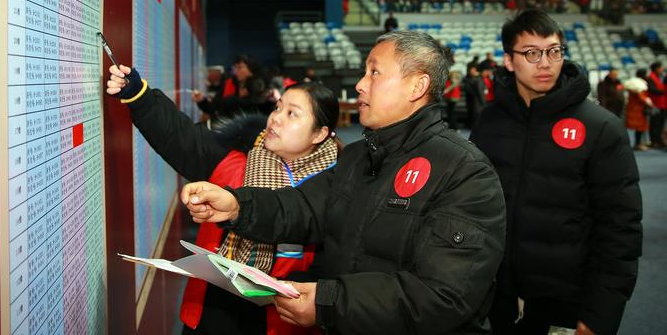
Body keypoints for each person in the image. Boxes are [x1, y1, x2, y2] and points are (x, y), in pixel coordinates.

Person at [182, 31, 506, 334]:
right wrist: (238, 206)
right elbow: (302, 206)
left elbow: (443, 294)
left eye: (374, 73)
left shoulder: (465, 171)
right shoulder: (358, 158)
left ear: (417, 86)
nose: (361, 85)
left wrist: (330, 301)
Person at [106, 65, 340, 334]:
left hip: (282, 318)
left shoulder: (334, 187)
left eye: (292, 114)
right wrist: (138, 94)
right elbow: (180, 137)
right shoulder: (235, 161)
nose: (276, 119)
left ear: (319, 134)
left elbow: (340, 264)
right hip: (214, 307)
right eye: (278, 108)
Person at [469, 10, 642, 335]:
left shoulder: (601, 128)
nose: (545, 62)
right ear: (508, 60)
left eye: (553, 51)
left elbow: (620, 230)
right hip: (493, 304)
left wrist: (599, 317)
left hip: (565, 310)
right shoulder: (489, 122)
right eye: (531, 53)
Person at [624, 68, 653, 151]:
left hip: (633, 108)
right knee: (639, 128)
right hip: (638, 110)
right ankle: (638, 144)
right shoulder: (638, 84)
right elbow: (641, 96)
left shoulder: (633, 82)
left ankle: (638, 143)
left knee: (636, 128)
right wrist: (648, 102)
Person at [647, 62, 666, 147]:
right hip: (655, 105)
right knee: (655, 123)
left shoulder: (661, 77)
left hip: (663, 104)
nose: (662, 70)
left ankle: (659, 140)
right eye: (661, 68)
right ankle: (653, 141)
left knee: (661, 123)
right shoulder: (650, 78)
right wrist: (663, 91)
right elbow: (652, 90)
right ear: (656, 69)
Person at [463, 64, 486, 129]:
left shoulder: (477, 79)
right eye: (472, 70)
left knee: (476, 114)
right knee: (473, 114)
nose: (473, 71)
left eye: (474, 70)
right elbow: (468, 89)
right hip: (471, 99)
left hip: (475, 100)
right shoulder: (469, 79)